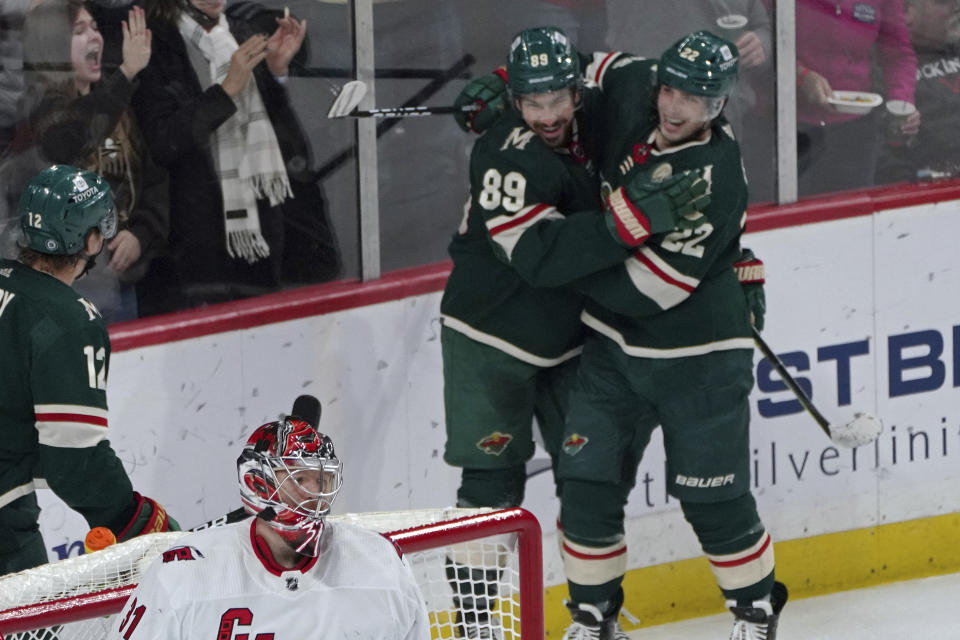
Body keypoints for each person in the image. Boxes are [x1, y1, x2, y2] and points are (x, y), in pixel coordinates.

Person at [441, 26, 709, 639]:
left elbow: (634, 67)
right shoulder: (505, 151)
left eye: (556, 98)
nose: (546, 116)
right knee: (492, 481)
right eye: (531, 103)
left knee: (590, 478)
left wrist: (516, 75)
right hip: (491, 337)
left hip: (570, 335)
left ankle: (596, 615)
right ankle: (474, 624)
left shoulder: (592, 108)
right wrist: (630, 221)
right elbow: (539, 258)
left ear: (575, 89)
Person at [547, 32, 787, 640]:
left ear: (721, 103)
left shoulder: (712, 177)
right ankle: (593, 618)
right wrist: (516, 92)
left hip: (698, 359)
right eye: (671, 90)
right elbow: (576, 63)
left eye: (695, 98)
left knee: (713, 499)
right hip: (610, 352)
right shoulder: (639, 84)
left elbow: (647, 292)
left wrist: (560, 262)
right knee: (585, 485)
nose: (675, 107)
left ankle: (756, 612)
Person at [107, 399, 430, 640]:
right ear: (256, 483)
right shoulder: (183, 575)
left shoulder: (380, 561)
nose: (314, 493)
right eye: (299, 479)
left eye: (322, 480)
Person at [0, 164, 179, 576]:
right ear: (91, 239)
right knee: (33, 630)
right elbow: (74, 461)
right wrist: (133, 520)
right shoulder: (69, 320)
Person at [131, 0, 340, 316]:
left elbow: (280, 141)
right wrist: (226, 90)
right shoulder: (155, 43)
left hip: (261, 238)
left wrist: (276, 72)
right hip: (190, 250)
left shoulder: (241, 32)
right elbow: (161, 142)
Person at [0, 0, 170, 323]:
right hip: (62, 296)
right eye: (79, 31)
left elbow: (152, 177)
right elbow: (68, 138)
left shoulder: (115, 105)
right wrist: (126, 73)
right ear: (53, 46)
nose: (95, 37)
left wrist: (141, 234)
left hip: (118, 286)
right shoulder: (38, 110)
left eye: (94, 27)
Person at [796, 0, 919, 196]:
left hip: (854, 131)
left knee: (851, 216)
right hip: (790, 128)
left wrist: (902, 102)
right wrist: (799, 76)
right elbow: (766, 40)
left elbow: (898, 55)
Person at [876, 0, 960, 182]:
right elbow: (879, 152)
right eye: (942, 2)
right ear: (906, 13)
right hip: (933, 187)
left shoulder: (955, 49)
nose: (955, 7)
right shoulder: (882, 71)